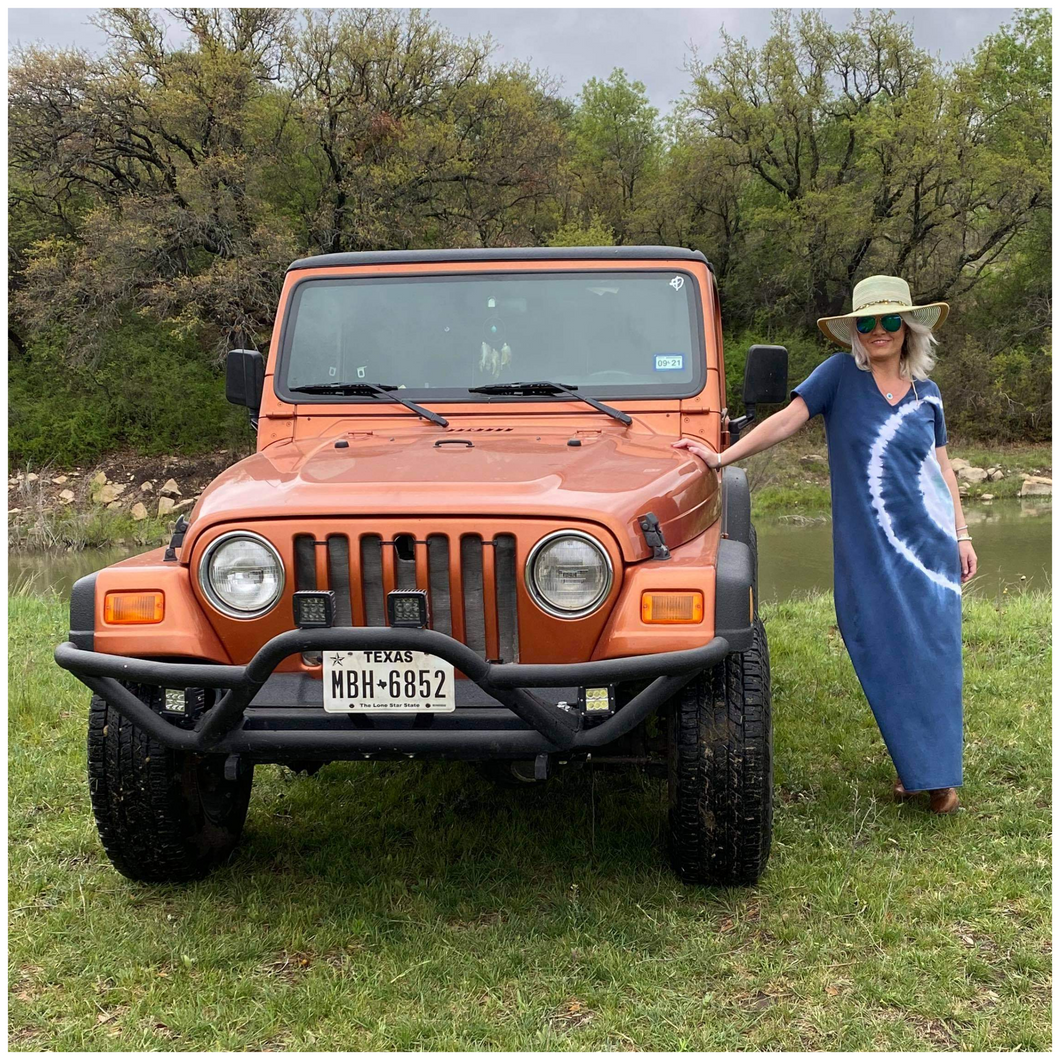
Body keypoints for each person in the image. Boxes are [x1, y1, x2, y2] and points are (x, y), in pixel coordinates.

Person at [675, 275, 977, 814]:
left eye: (890, 321)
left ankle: (936, 779)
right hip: (868, 549)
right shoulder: (838, 376)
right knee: (879, 645)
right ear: (855, 332)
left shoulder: (927, 394)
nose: (879, 331)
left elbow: (942, 468)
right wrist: (721, 458)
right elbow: (787, 421)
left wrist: (961, 532)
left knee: (934, 653)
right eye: (868, 322)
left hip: (928, 550)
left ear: (908, 328)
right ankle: (917, 764)